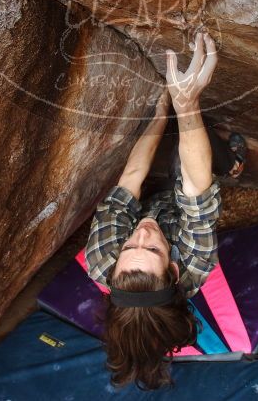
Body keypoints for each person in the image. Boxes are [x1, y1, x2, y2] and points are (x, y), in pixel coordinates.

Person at [84, 29, 247, 389]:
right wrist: (185, 104)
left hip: (151, 197)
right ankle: (234, 164)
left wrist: (160, 115)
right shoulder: (196, 261)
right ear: (172, 268)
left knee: (172, 144)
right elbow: (195, 184)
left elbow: (132, 176)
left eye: (130, 246)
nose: (140, 234)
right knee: (187, 161)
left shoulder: (101, 260)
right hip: (180, 203)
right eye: (152, 248)